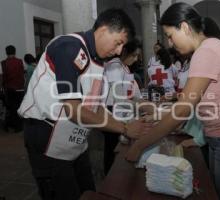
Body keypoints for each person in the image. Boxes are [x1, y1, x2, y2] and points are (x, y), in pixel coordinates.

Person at [126, 3, 220, 200]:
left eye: (170, 35)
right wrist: (159, 113)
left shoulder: (206, 51)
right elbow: (190, 102)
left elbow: (183, 110)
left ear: (184, 27)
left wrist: (140, 145)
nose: (170, 43)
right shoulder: (208, 48)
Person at [18, 8, 148, 200]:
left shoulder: (98, 61)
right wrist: (125, 128)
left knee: (87, 191)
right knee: (62, 193)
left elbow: (95, 107)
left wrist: (122, 123)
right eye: (119, 42)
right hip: (47, 134)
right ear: (103, 30)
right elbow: (74, 110)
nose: (119, 51)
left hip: (74, 139)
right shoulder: (70, 47)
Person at [103, 39, 150, 174]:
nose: (135, 59)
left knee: (120, 146)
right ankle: (110, 177)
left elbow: (132, 93)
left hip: (122, 109)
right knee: (112, 147)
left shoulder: (125, 67)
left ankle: (119, 173)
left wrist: (142, 103)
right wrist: (138, 106)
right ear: (124, 52)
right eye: (134, 55)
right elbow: (118, 97)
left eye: (137, 56)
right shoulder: (114, 66)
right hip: (112, 111)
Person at [1, 45, 25, 132]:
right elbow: (22, 73)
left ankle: (11, 125)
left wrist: (3, 87)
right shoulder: (20, 61)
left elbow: (4, 76)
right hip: (20, 88)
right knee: (18, 107)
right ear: (15, 52)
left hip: (10, 88)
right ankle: (19, 126)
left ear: (6, 52)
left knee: (10, 108)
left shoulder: (4, 63)